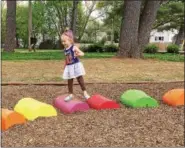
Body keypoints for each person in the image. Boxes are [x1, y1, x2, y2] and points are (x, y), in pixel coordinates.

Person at [61, 28, 90, 102]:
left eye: (64, 41)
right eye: (62, 41)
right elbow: (66, 58)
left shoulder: (73, 47)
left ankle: (85, 93)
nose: (63, 43)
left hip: (76, 65)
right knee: (69, 80)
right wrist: (65, 66)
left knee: (80, 79)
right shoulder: (65, 49)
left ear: (70, 40)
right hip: (69, 67)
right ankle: (70, 94)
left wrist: (78, 54)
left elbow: (82, 53)